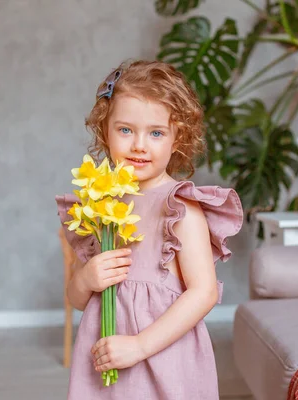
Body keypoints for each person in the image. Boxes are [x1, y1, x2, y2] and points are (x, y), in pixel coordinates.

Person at [55, 60, 243, 399]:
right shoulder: (101, 202)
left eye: (156, 133)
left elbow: (204, 293)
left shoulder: (181, 207)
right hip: (106, 352)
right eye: (125, 130)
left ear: (177, 140)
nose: (139, 145)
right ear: (105, 132)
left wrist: (140, 345)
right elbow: (78, 299)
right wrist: (86, 280)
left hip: (163, 356)